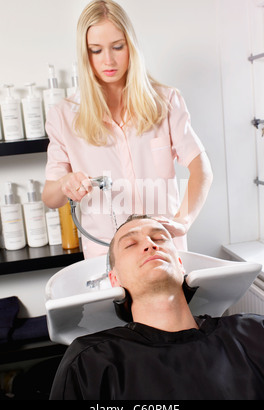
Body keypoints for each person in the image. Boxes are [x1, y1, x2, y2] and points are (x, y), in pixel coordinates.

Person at [42, 0, 213, 259]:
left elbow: (202, 170)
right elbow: (50, 197)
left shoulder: (166, 102)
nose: (108, 60)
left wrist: (183, 221)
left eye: (117, 47)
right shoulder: (63, 116)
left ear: (130, 45)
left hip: (162, 254)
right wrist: (66, 183)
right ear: (84, 53)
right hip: (106, 260)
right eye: (96, 50)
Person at [50, 215, 264, 400]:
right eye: (130, 244)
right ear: (114, 279)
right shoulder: (90, 362)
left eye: (160, 238)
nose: (150, 244)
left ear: (180, 265)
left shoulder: (258, 333)